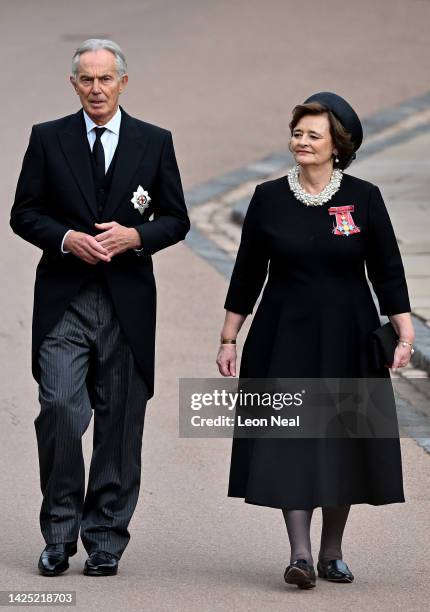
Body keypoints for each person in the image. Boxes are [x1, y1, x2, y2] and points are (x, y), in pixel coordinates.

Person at [216, 92, 415, 589]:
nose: (301, 141)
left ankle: (332, 551)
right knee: (291, 441)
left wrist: (405, 331)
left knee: (342, 442)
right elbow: (246, 275)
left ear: (337, 145)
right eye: (298, 133)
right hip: (284, 338)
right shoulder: (268, 198)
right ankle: (300, 554)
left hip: (349, 338)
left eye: (313, 135)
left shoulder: (364, 198)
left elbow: (388, 270)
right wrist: (228, 337)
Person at [11, 39, 190, 577]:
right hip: (65, 300)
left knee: (120, 423)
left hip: (126, 304)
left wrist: (135, 236)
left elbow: (176, 219)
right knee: (61, 411)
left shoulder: (154, 142)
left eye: (105, 79)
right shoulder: (48, 139)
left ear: (123, 83)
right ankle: (59, 532)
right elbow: (24, 214)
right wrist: (66, 238)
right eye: (86, 80)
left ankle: (107, 537)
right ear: (73, 85)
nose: (96, 88)